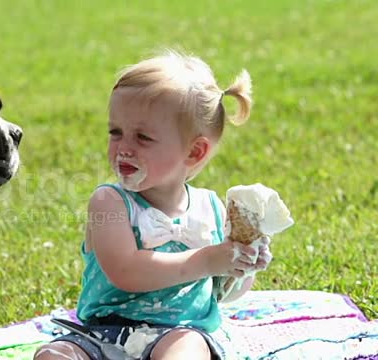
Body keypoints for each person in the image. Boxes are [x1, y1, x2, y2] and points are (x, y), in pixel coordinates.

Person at [33, 50, 273, 360]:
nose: (124, 148)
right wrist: (208, 260)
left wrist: (241, 265)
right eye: (115, 132)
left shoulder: (212, 208)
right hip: (100, 333)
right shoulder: (110, 202)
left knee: (187, 351)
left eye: (143, 137)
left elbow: (222, 292)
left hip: (178, 332)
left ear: (194, 153)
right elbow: (126, 272)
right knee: (55, 354)